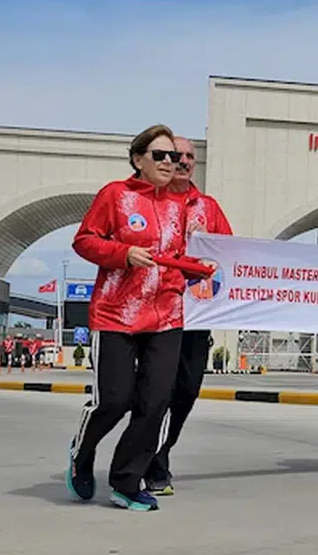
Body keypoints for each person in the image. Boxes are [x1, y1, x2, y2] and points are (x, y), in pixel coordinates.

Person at [65, 123, 206, 513]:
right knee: (114, 400)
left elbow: (176, 257)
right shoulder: (116, 195)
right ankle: (82, 450)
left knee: (157, 402)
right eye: (159, 155)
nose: (169, 162)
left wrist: (197, 268)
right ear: (138, 159)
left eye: (174, 157)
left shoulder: (179, 208)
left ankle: (127, 481)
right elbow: (85, 240)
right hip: (116, 314)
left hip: (165, 316)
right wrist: (122, 254)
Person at [144, 135, 233, 497]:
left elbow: (230, 252)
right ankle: (151, 461)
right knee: (154, 390)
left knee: (187, 390)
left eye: (189, 156)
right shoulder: (150, 201)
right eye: (174, 155)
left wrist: (207, 239)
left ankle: (161, 450)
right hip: (155, 311)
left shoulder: (207, 206)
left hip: (196, 315)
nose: (181, 161)